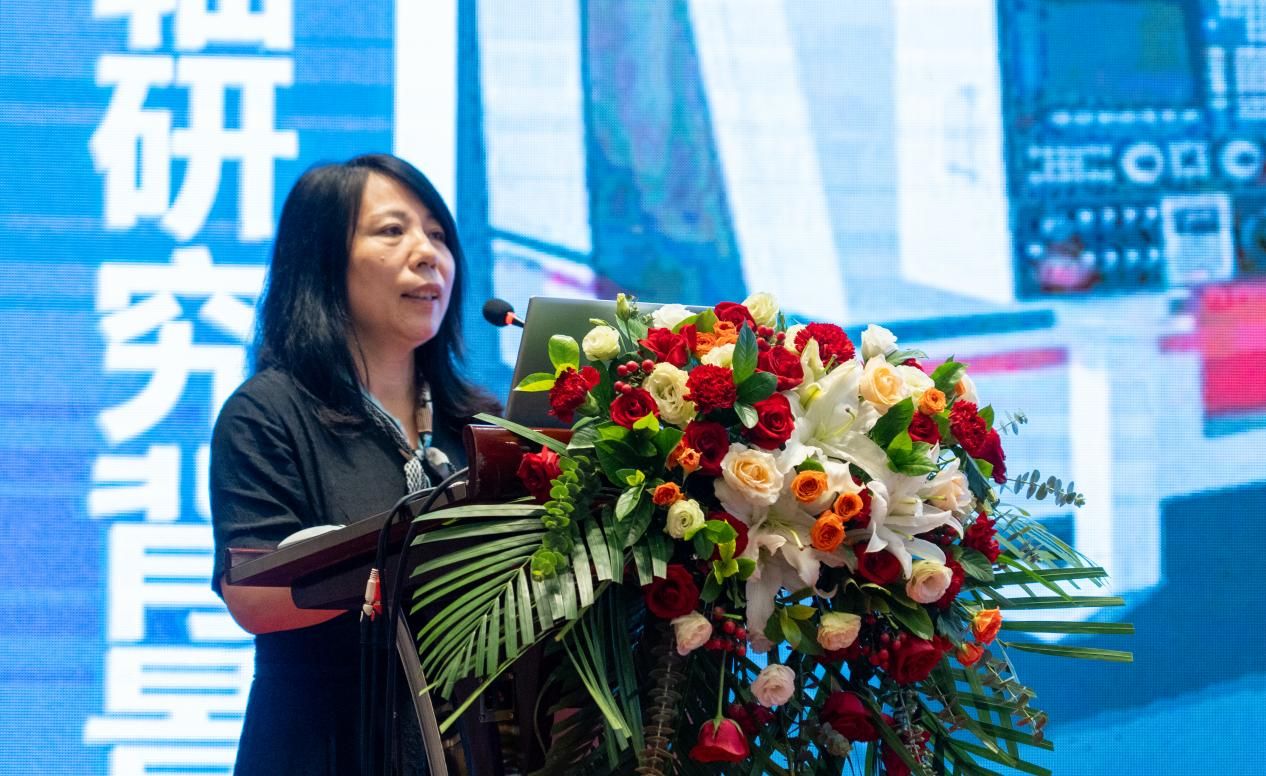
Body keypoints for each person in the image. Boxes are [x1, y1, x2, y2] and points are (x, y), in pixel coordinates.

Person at [209, 153, 500, 775]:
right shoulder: (269, 412)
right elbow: (253, 596)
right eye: (393, 231)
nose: (428, 254)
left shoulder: (481, 424)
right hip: (325, 743)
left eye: (438, 234)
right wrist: (408, 568)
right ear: (324, 261)